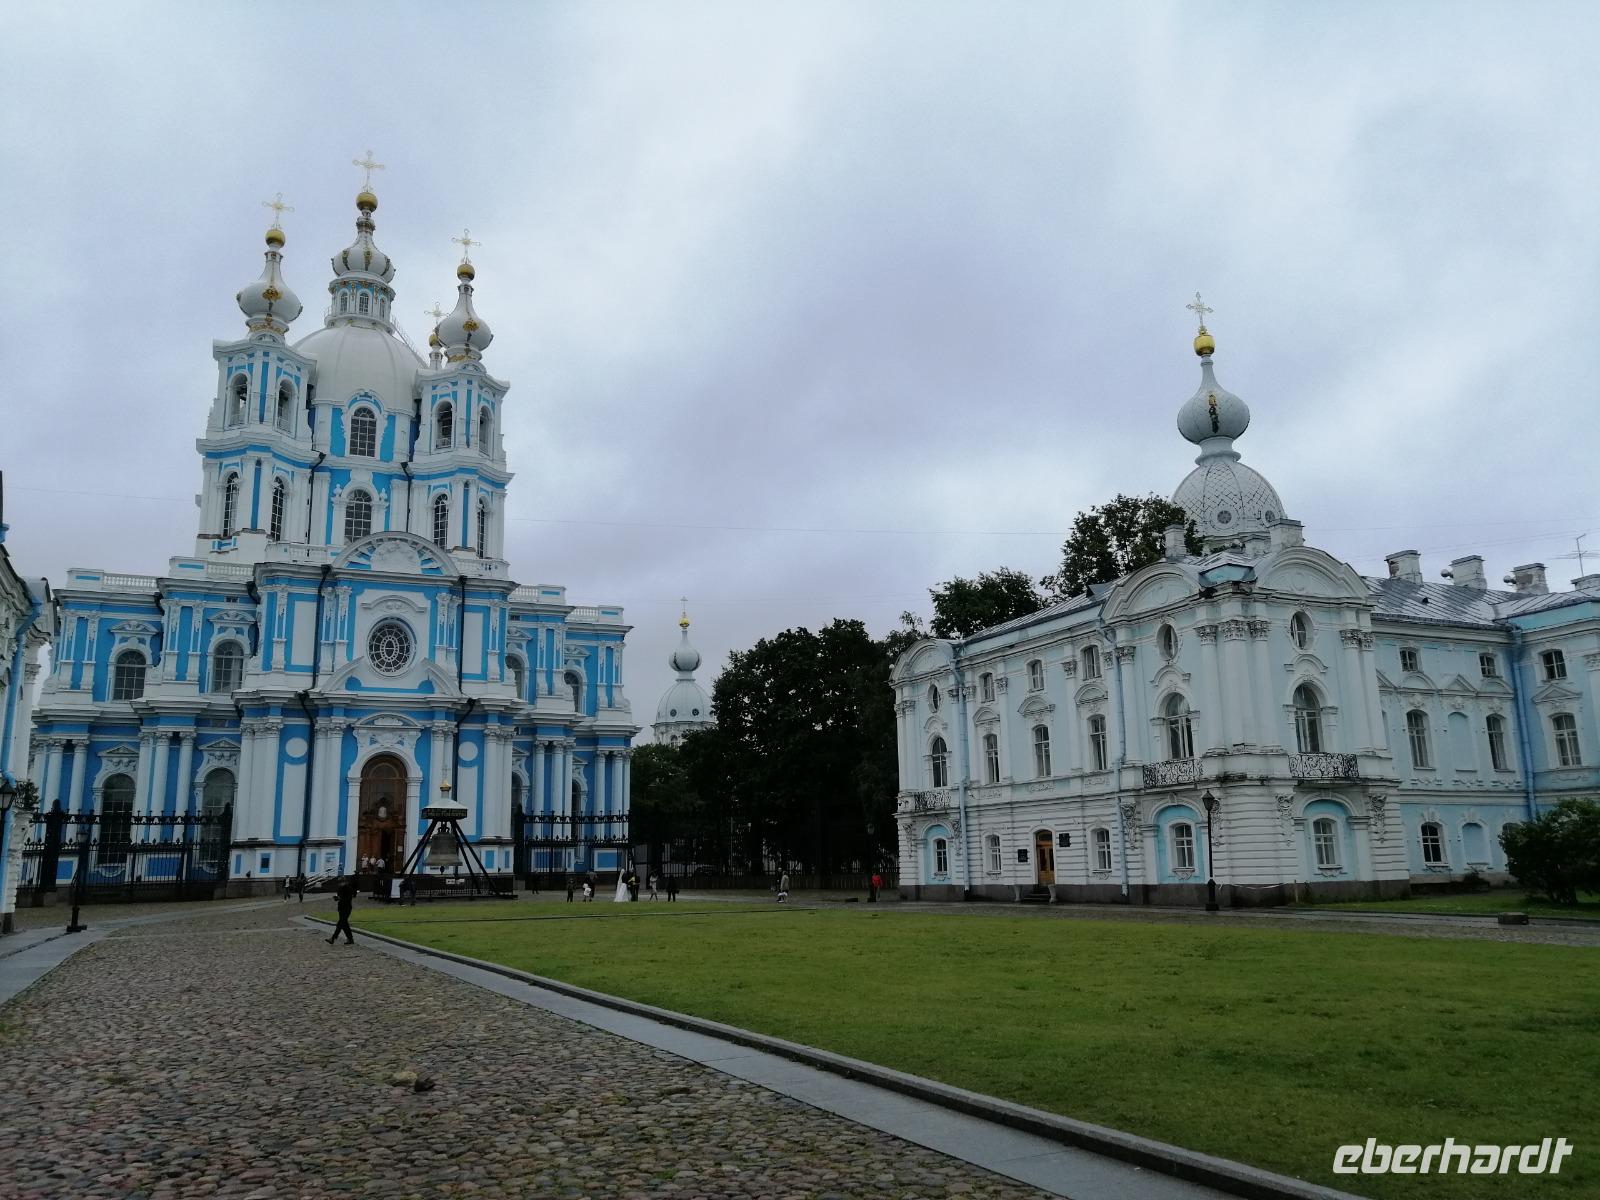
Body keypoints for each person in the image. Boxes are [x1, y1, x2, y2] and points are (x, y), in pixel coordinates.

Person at [326, 877, 357, 945]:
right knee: (344, 924)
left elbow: (348, 898)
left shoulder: (348, 888)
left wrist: (340, 898)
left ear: (345, 882)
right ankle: (350, 939)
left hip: (347, 908)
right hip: (341, 908)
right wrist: (336, 898)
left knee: (340, 924)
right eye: (339, 882)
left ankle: (333, 938)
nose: (340, 884)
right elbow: (339, 897)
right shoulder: (340, 889)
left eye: (341, 882)